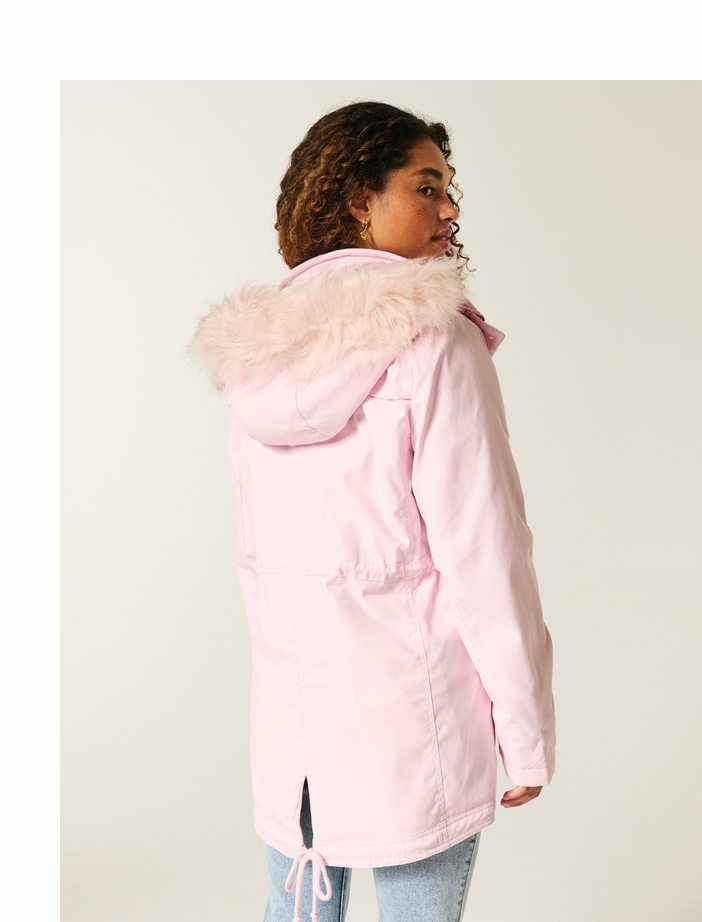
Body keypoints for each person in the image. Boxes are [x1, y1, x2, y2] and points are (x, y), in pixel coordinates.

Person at [189, 101, 556, 922]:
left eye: (450, 189)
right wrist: (525, 731)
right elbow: (484, 551)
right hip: (417, 724)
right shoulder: (437, 341)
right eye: (427, 187)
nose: (450, 209)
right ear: (360, 199)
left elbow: (259, 559)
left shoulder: (258, 358)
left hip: (291, 732)